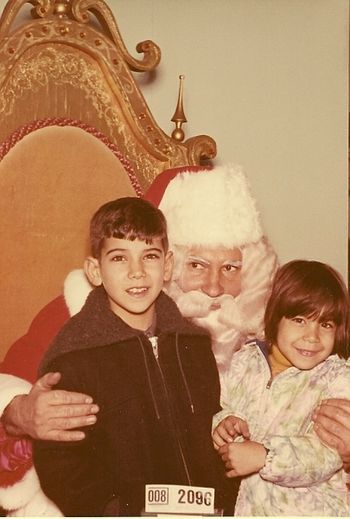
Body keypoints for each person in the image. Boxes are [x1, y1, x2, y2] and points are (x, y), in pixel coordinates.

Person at [0, 164, 349, 512]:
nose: (214, 287)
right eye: (197, 265)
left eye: (230, 268)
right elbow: (63, 458)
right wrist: (16, 411)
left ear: (164, 264)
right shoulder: (76, 337)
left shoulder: (253, 340)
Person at [32, 196, 231, 516]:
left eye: (149, 256)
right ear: (95, 271)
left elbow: (215, 431)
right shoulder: (74, 356)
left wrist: (226, 497)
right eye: (119, 258)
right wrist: (115, 510)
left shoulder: (194, 344)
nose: (137, 272)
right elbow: (60, 462)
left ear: (167, 266)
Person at [212, 259, 350, 516]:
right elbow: (223, 407)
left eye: (326, 324)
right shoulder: (243, 360)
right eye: (300, 320)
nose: (313, 336)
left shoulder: (337, 377)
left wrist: (266, 456)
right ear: (275, 318)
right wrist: (223, 424)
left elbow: (328, 453)